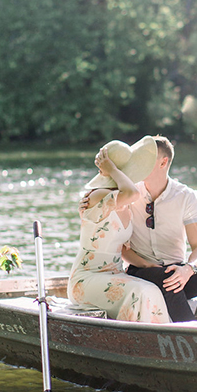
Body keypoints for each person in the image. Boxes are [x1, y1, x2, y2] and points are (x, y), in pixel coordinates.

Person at [124, 135, 197, 322]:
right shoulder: (130, 193)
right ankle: (194, 337)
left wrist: (188, 270)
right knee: (170, 281)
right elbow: (122, 248)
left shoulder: (187, 197)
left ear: (163, 162)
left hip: (177, 272)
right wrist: (149, 265)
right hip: (141, 271)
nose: (139, 163)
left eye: (145, 158)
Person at [68, 137, 170, 324]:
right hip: (88, 278)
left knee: (152, 289)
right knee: (137, 292)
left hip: (115, 275)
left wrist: (148, 265)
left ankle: (159, 341)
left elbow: (124, 250)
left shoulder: (126, 206)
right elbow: (133, 193)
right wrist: (113, 170)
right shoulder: (97, 195)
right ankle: (136, 343)